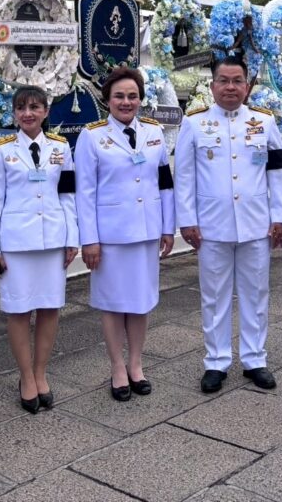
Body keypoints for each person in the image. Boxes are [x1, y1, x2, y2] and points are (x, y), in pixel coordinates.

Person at [175, 56, 282, 393]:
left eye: (237, 80)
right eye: (223, 81)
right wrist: (187, 220)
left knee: (256, 293)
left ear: (247, 85)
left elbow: (279, 173)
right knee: (214, 295)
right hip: (211, 226)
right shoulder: (194, 124)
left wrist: (281, 217)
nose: (230, 87)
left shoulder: (264, 122)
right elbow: (184, 177)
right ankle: (216, 361)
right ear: (212, 86)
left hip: (256, 224)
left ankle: (255, 358)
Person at [74, 67, 174, 400]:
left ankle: (136, 364)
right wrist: (89, 239)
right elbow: (84, 192)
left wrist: (167, 227)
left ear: (141, 99)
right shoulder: (92, 136)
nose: (126, 102)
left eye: (132, 96)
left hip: (146, 231)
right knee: (114, 304)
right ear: (107, 100)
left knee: (141, 302)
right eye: (119, 96)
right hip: (111, 237)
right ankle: (117, 367)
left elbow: (165, 184)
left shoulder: (155, 132)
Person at [0, 86, 79, 413]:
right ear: (14, 113)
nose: (28, 113)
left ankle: (40, 373)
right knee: (19, 311)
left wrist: (72, 237)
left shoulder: (61, 146)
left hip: (52, 239)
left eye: (35, 107)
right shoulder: (0, 150)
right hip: (16, 243)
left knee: (51, 308)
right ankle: (25, 376)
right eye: (22, 107)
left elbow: (68, 194)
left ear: (46, 111)